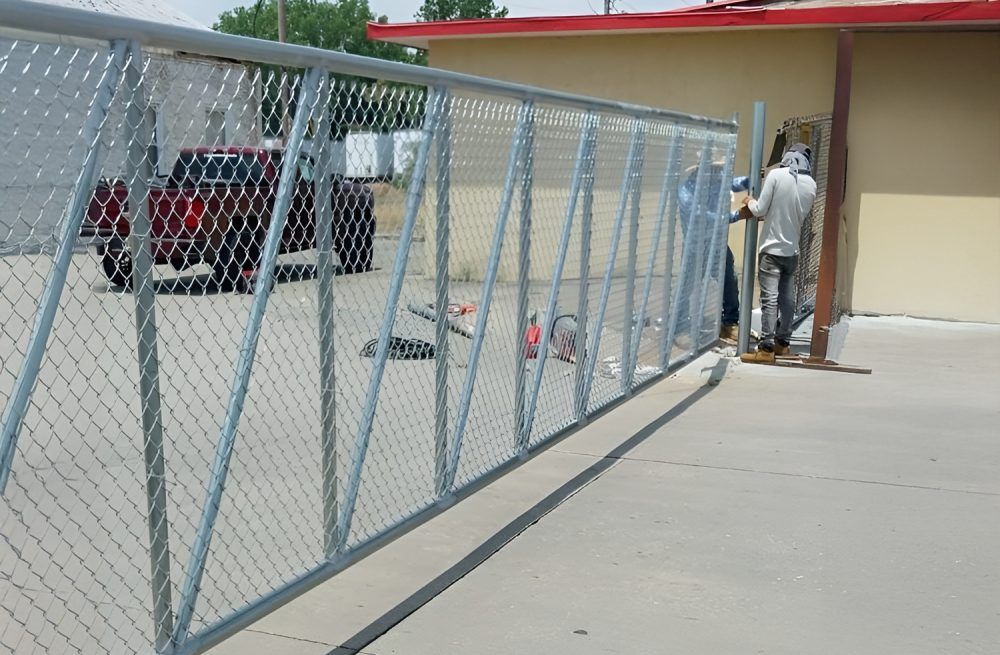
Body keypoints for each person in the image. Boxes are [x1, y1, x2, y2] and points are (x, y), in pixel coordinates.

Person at [740, 143, 817, 363]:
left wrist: (749, 200)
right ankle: (783, 343)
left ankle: (765, 349)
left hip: (771, 250)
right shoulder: (811, 184)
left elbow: (760, 210)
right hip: (792, 251)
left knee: (769, 299)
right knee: (787, 299)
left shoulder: (776, 175)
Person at [676, 163, 750, 345]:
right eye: (715, 170)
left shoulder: (718, 183)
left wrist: (756, 176)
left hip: (717, 245)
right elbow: (704, 216)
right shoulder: (686, 192)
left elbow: (739, 183)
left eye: (719, 170)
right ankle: (680, 327)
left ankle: (730, 323)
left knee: (729, 282)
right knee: (688, 287)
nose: (719, 173)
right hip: (696, 248)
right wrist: (736, 216)